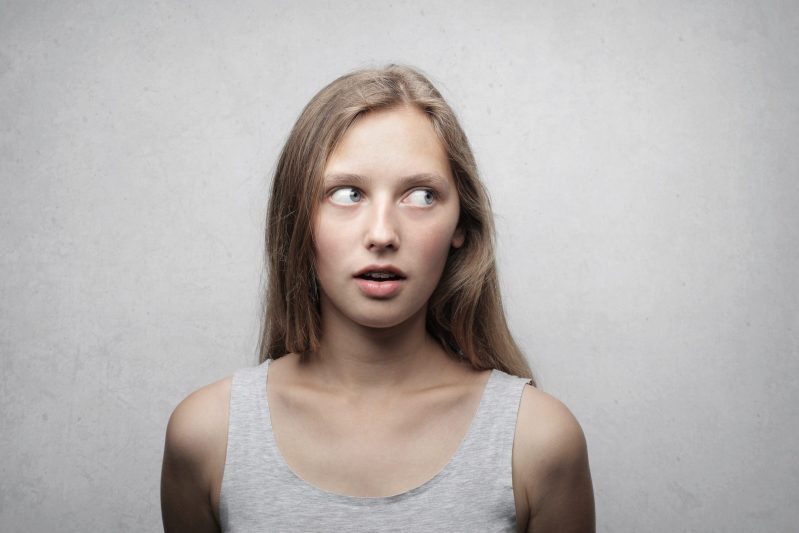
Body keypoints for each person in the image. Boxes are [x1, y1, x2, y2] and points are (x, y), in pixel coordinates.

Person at [160, 65, 595, 532]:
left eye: (422, 195)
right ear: (297, 220)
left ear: (461, 228)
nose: (383, 233)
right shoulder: (207, 437)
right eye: (348, 194)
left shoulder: (539, 442)